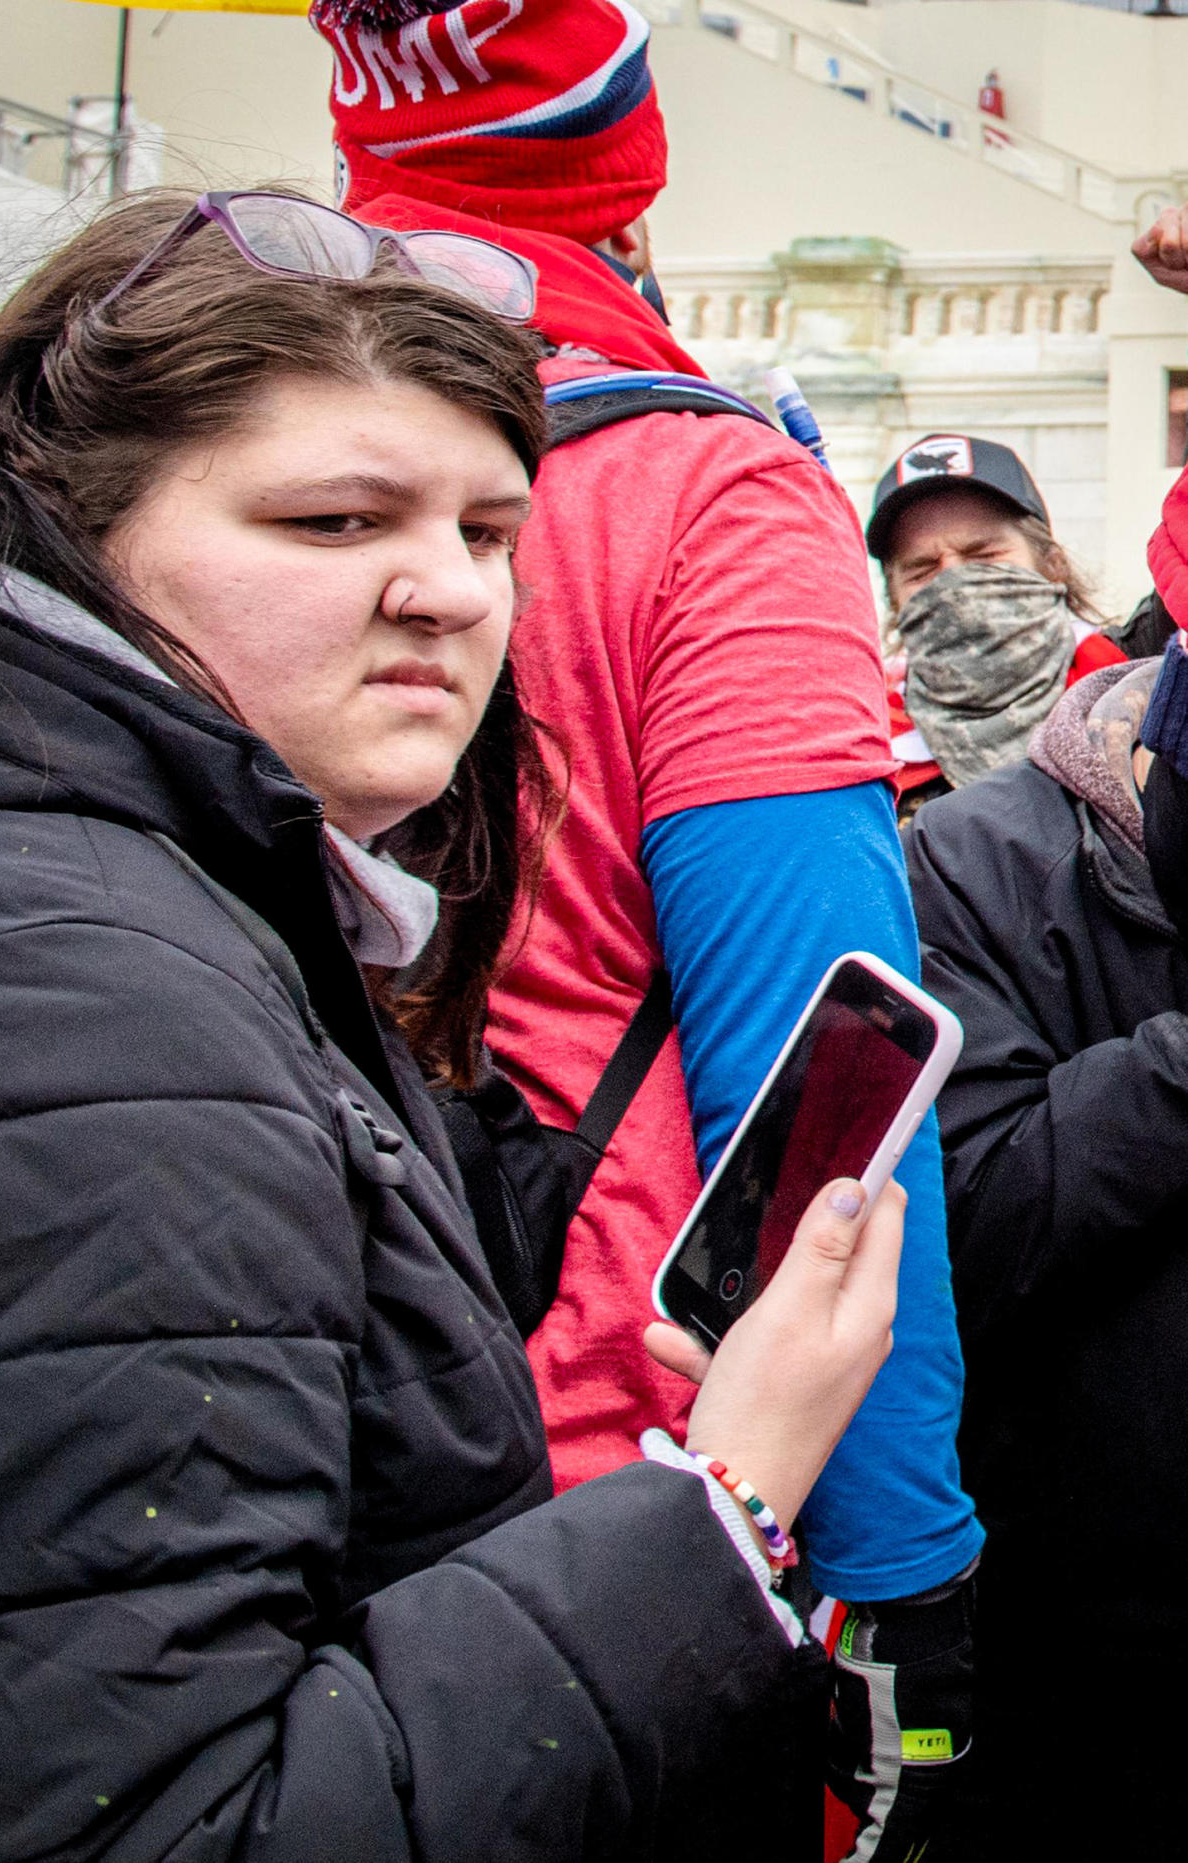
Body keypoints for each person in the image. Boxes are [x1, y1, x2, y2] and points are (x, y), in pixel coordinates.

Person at [0, 185, 909, 1862]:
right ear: (69, 526)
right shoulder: (102, 1003)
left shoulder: (178, 909)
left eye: (486, 532)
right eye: (335, 522)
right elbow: (168, 1820)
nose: (448, 592)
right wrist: (726, 1494)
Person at [308, 2, 983, 1854]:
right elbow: (826, 1085)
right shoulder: (706, 495)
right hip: (630, 1488)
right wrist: (905, 1568)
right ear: (626, 197)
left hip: (283, 1416)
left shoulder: (207, 482)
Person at [902, 457, 1188, 1858]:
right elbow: (971, 1212)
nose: (958, 596)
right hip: (1090, 1655)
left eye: (985, 554)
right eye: (919, 570)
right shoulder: (959, 859)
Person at [867, 432, 1125, 822]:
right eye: (922, 570)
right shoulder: (864, 754)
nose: (953, 582)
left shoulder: (1136, 700)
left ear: (1052, 566)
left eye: (984, 555)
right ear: (893, 600)